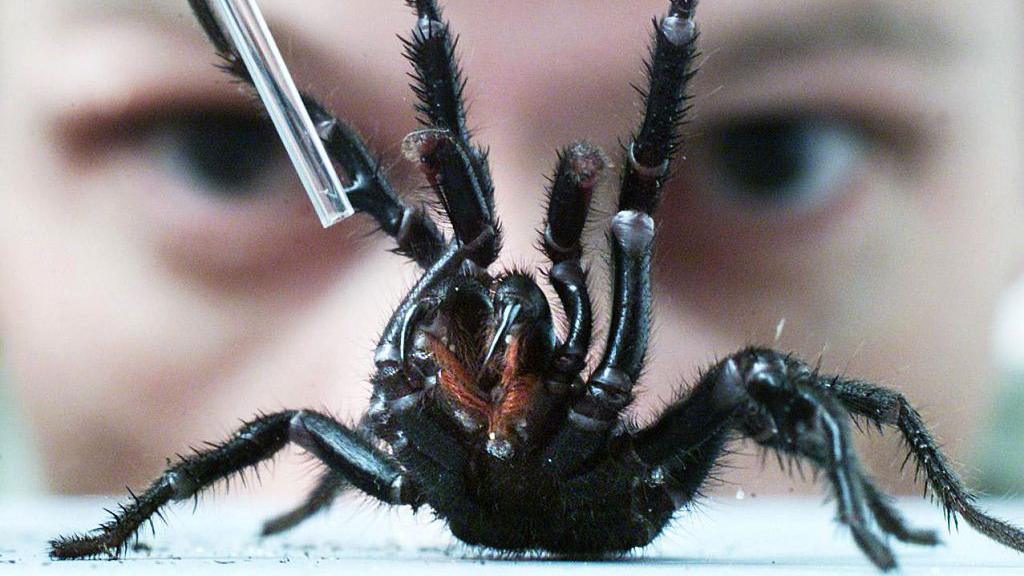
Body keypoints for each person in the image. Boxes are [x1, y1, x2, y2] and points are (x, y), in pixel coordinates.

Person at [0, 0, 1021, 501]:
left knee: (763, 379)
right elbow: (315, 425)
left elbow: (856, 420)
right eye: (227, 151)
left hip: (615, 503)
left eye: (768, 155)